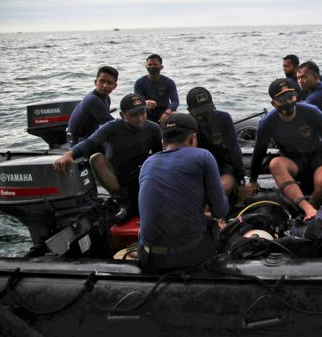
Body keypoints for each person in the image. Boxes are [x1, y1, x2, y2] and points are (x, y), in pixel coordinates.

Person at [244, 78, 322, 221]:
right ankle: (307, 208)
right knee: (275, 164)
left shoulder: (312, 112)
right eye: (282, 99)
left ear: (296, 96)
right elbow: (259, 151)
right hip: (293, 160)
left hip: (317, 156)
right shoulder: (268, 122)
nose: (288, 102)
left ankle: (310, 210)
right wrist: (253, 180)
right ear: (273, 104)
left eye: (290, 97)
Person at [137, 113, 229, 272]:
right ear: (193, 138)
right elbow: (220, 210)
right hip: (188, 256)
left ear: (163, 142)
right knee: (216, 224)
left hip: (149, 258)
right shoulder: (202, 156)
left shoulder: (147, 163)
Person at [54, 93, 162, 221]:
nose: (140, 118)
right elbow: (90, 142)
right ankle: (122, 201)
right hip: (116, 176)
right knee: (96, 158)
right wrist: (69, 153)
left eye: (142, 113)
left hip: (140, 175)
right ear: (123, 116)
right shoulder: (112, 127)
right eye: (134, 115)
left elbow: (159, 156)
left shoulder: (153, 128)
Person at [186, 86, 245, 198]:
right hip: (198, 169)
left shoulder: (223, 118)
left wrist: (241, 180)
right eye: (201, 113)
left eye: (208, 110)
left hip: (222, 166)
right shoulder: (187, 125)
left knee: (220, 189)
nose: (206, 115)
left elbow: (234, 150)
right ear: (190, 110)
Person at [66, 65, 119, 144]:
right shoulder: (93, 100)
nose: (105, 86)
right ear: (95, 82)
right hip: (79, 143)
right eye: (102, 81)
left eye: (109, 83)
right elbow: (111, 125)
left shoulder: (106, 98)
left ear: (114, 86)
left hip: (90, 136)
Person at [134, 54, 179, 124]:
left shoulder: (168, 82)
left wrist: (167, 112)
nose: (152, 67)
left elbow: (175, 101)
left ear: (161, 67)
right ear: (146, 66)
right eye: (150, 64)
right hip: (146, 111)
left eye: (155, 65)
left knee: (176, 115)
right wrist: (146, 103)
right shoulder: (139, 82)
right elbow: (137, 100)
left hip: (164, 110)